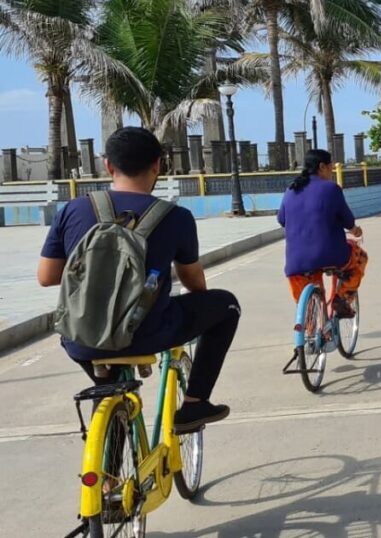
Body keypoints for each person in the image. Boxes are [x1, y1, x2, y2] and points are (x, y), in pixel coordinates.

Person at [38, 127, 240, 433]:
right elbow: (195, 284)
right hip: (146, 334)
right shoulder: (176, 217)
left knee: (108, 384)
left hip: (80, 338)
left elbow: (47, 277)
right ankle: (196, 402)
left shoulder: (74, 209)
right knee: (227, 306)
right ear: (157, 165)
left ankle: (106, 479)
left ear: (108, 165)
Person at [279, 149, 367, 318]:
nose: (332, 172)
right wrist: (355, 230)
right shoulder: (331, 189)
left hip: (295, 263)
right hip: (332, 256)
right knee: (360, 258)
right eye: (330, 168)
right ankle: (341, 299)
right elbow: (348, 221)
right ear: (321, 167)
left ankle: (310, 325)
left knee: (309, 288)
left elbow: (282, 219)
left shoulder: (291, 189)